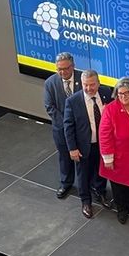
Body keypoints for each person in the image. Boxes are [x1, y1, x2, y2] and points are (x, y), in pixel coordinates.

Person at [64, 69, 113, 218]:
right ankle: (86, 201)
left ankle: (100, 192)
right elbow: (68, 126)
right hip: (83, 145)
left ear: (98, 83)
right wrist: (72, 148)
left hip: (103, 144)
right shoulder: (73, 101)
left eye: (92, 85)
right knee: (83, 174)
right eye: (85, 85)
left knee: (102, 170)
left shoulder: (106, 93)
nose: (89, 88)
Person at [99, 77, 129, 224]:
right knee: (119, 188)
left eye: (127, 93)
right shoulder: (111, 109)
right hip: (119, 157)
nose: (123, 97)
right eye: (120, 94)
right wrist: (108, 158)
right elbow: (104, 134)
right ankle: (122, 210)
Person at [43, 52, 82, 199]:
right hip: (61, 129)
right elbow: (50, 107)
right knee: (65, 157)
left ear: (73, 66)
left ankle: (90, 185)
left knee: (85, 159)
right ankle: (66, 183)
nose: (63, 72)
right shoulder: (50, 83)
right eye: (59, 69)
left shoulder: (83, 78)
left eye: (66, 68)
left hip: (82, 128)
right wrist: (67, 125)